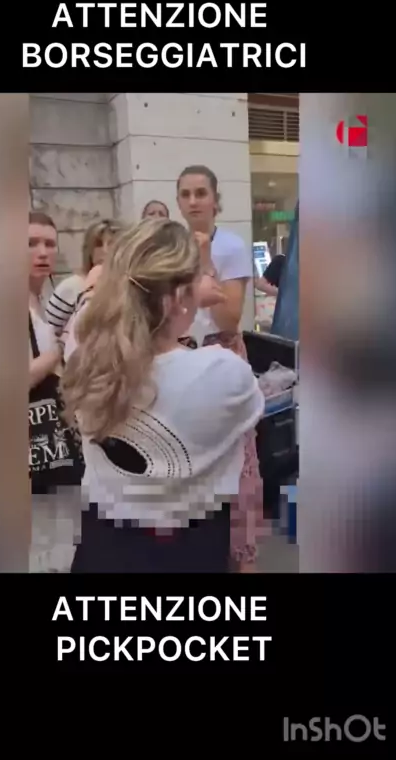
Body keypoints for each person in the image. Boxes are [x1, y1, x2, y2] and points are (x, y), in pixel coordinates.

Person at [62, 218, 264, 573]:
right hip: (189, 555)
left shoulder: (86, 362)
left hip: (102, 554)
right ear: (181, 297)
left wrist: (98, 289)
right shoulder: (224, 374)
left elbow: (87, 321)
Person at [176, 164, 265, 568]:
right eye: (186, 194)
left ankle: (243, 556)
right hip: (180, 357)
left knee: (238, 461)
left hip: (222, 353)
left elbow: (228, 319)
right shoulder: (171, 246)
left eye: (201, 193)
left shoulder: (230, 246)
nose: (193, 201)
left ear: (215, 200)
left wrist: (205, 261)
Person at [28, 211, 83, 572]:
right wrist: (55, 354)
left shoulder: (40, 299)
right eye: (31, 243)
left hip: (51, 445)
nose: (42, 252)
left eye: (49, 243)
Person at [46, 218, 121, 337]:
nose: (105, 250)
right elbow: (48, 334)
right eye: (98, 244)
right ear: (89, 250)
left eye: (112, 244)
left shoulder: (128, 288)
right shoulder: (71, 287)